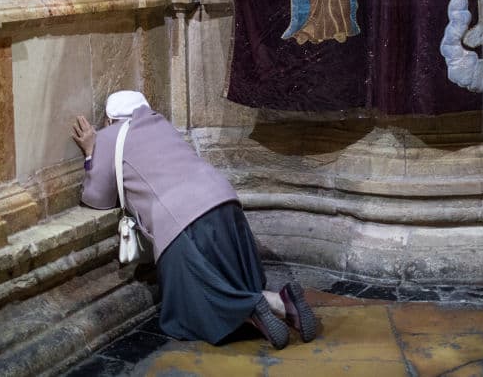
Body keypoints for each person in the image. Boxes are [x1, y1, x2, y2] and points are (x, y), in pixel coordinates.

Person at [72, 90, 317, 349]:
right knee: (232, 277)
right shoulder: (161, 124)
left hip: (180, 217)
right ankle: (281, 302)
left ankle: (249, 309)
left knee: (189, 308)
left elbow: (96, 198)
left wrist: (90, 152)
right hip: (223, 199)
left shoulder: (108, 136)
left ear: (110, 119)